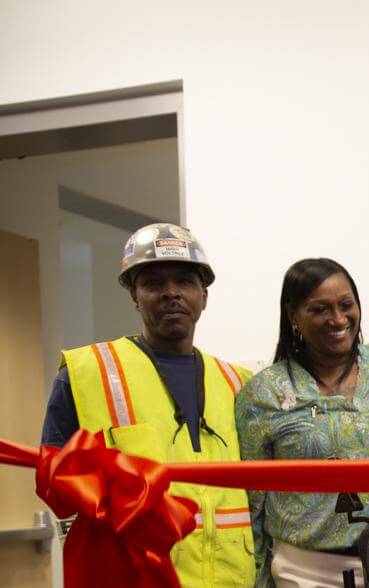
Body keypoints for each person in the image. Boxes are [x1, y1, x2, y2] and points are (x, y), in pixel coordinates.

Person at [39, 223, 255, 587]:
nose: (171, 293)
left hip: (232, 578)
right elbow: (54, 480)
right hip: (134, 576)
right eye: (153, 283)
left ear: (204, 295)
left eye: (185, 281)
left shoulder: (241, 384)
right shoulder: (86, 372)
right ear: (135, 296)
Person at [236, 258, 369, 587]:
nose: (338, 319)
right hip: (303, 570)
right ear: (293, 316)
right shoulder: (263, 394)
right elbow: (253, 505)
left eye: (346, 305)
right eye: (321, 309)